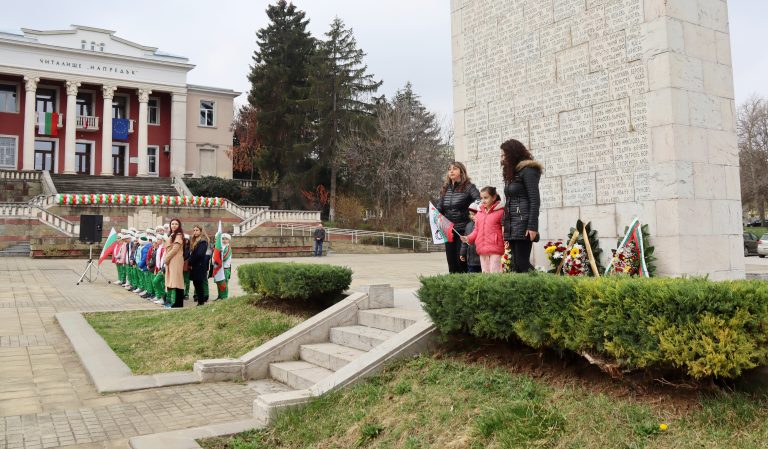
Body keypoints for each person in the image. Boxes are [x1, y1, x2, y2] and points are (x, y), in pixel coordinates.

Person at [501, 138, 542, 273]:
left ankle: (541, 286)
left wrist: (532, 226)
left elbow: (534, 200)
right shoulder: (512, 173)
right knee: (516, 264)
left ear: (512, 154)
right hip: (513, 224)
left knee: (522, 264)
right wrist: (504, 225)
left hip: (523, 223)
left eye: (504, 155)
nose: (502, 158)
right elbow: (508, 202)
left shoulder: (528, 170)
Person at [437, 161, 481, 273]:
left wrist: (470, 214)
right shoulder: (445, 188)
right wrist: (436, 218)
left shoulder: (469, 187)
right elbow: (439, 208)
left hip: (463, 230)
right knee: (451, 264)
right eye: (449, 169)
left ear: (461, 172)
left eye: (455, 168)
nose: (451, 171)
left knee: (461, 263)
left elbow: (479, 200)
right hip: (449, 231)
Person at [461, 186, 505, 273]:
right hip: (482, 248)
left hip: (495, 248)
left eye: (486, 198)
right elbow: (476, 230)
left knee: (495, 272)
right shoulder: (479, 214)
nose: (483, 200)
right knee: (485, 272)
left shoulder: (501, 212)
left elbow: (504, 229)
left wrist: (506, 241)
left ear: (494, 197)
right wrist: (468, 238)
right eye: (481, 198)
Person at [163, 218, 185, 308]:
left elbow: (175, 249)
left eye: (176, 224)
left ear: (179, 225)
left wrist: (166, 259)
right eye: (172, 224)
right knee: (175, 281)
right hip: (172, 260)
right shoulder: (172, 234)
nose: (174, 225)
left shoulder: (178, 235)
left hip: (175, 259)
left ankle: (179, 303)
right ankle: (177, 302)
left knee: (177, 281)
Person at [188, 225, 210, 306]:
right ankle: (200, 301)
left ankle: (201, 302)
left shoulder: (203, 241)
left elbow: (199, 254)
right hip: (196, 265)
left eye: (197, 230)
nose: (195, 232)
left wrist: (190, 261)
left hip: (199, 266)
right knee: (196, 283)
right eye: (194, 230)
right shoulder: (196, 240)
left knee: (199, 284)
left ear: (201, 231)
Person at [460, 202, 482, 273]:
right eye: (470, 214)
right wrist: (462, 253)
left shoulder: (482, 225)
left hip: (481, 258)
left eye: (474, 214)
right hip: (471, 259)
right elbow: (465, 242)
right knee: (471, 275)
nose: (472, 216)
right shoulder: (468, 225)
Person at [214, 233, 233, 300]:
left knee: (224, 283)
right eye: (223, 239)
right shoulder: (220, 247)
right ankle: (220, 295)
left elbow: (224, 257)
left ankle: (224, 297)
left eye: (226, 239)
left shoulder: (228, 248)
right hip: (219, 268)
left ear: (229, 240)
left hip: (225, 268)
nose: (224, 240)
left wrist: (217, 259)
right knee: (219, 282)